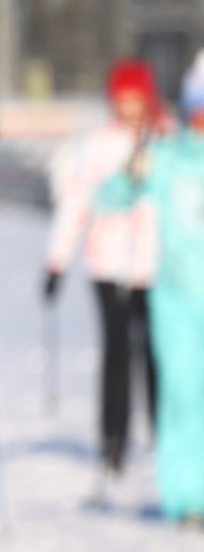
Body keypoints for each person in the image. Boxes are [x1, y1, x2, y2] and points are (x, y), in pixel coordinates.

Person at [43, 58, 163, 497]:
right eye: (124, 101)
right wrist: (57, 261)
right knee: (116, 357)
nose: (131, 109)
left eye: (137, 101)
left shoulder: (165, 141)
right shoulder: (97, 146)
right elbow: (76, 203)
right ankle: (113, 440)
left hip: (155, 268)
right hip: (108, 266)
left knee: (156, 357)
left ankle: (163, 439)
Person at [135, 58, 204, 527]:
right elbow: (113, 195)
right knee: (182, 395)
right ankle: (186, 497)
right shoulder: (168, 156)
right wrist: (130, 169)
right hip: (177, 297)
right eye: (197, 112)